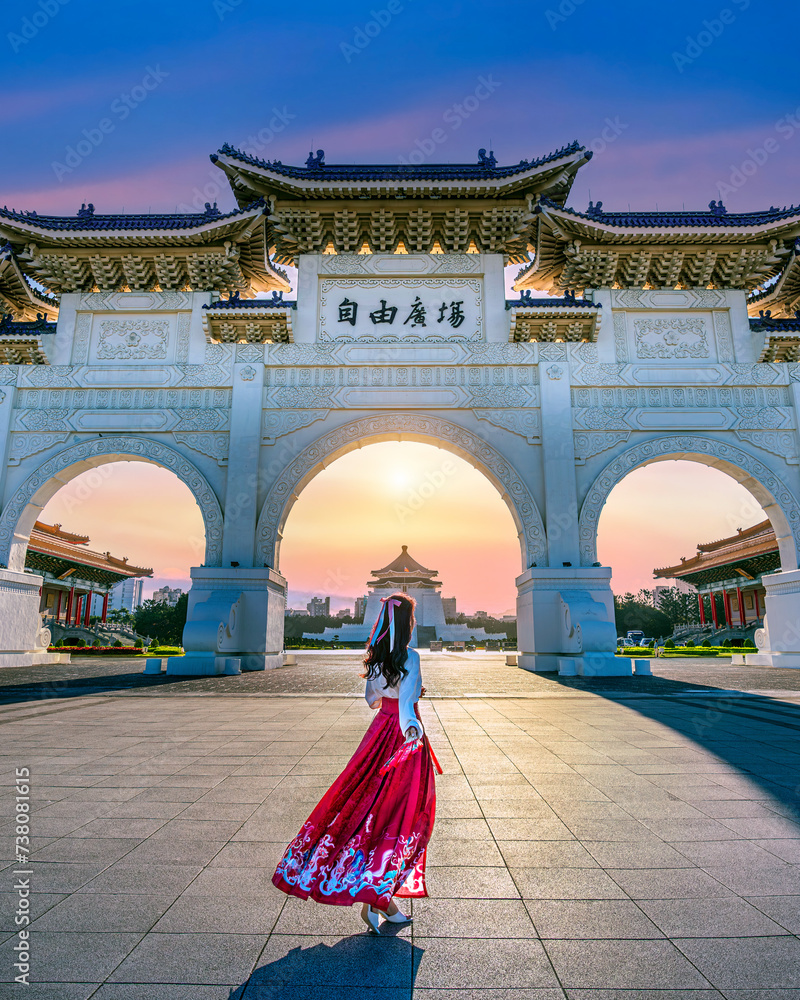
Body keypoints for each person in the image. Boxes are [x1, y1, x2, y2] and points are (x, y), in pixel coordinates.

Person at [272, 592, 441, 934]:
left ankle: (379, 901)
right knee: (401, 816)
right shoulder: (411, 657)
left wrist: (389, 692)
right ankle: (379, 899)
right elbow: (407, 705)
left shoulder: (376, 658)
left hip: (377, 734)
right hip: (402, 742)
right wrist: (413, 727)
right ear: (408, 624)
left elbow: (371, 701)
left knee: (365, 809)